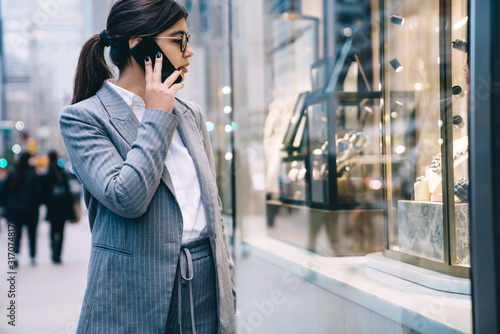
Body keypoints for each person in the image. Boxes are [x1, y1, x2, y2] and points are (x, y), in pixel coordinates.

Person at [59, 1, 236, 333]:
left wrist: (228, 292)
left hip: (206, 293)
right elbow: (127, 198)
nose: (190, 52)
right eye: (178, 40)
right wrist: (156, 115)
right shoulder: (83, 118)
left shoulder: (191, 113)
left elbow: (212, 209)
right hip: (134, 298)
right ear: (140, 46)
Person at [0, 153, 42, 267]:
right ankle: (32, 256)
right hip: (31, 210)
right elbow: (38, 193)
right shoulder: (33, 174)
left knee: (16, 235)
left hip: (15, 210)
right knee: (31, 234)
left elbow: (4, 191)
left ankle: (15, 257)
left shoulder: (13, 173)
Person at [42, 150, 75, 264]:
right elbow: (67, 189)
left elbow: (44, 192)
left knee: (52, 230)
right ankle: (58, 253)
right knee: (60, 230)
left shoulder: (48, 172)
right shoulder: (61, 171)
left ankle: (53, 251)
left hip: (52, 206)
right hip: (62, 206)